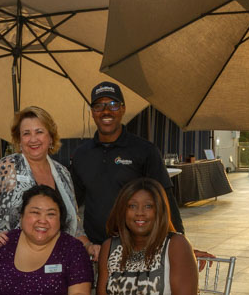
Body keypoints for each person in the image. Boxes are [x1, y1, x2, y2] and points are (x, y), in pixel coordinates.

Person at [69, 81, 185, 260]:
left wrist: (180, 242)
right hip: (97, 251)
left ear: (123, 109)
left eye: (113, 105)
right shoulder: (81, 154)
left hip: (137, 249)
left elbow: (165, 198)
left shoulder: (145, 150)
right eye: (99, 106)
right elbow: (71, 203)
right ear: (92, 112)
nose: (106, 111)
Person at [96, 178, 216, 295]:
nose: (140, 212)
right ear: (122, 210)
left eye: (148, 206)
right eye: (132, 206)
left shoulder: (176, 244)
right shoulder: (109, 247)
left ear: (160, 211)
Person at [0, 106, 85, 265]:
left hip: (54, 261)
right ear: (19, 140)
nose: (33, 139)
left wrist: (86, 245)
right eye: (26, 133)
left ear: (51, 137)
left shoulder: (62, 172)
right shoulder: (6, 167)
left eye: (39, 132)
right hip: (8, 262)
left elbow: (73, 218)